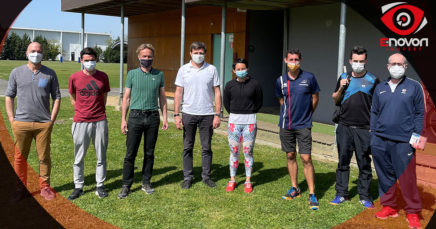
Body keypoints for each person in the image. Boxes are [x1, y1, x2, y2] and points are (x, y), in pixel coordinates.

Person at [370, 53, 424, 229]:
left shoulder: (414, 87)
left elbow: (419, 113)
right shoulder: (380, 88)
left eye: (399, 64)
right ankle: (389, 206)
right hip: (380, 140)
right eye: (392, 63)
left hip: (404, 141)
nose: (396, 66)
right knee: (385, 176)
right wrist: (373, 135)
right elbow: (375, 112)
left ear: (405, 66)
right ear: (387, 66)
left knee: (407, 178)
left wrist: (415, 136)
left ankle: (413, 212)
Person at [5, 42, 61, 200]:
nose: (36, 53)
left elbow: (56, 97)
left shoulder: (50, 73)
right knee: (20, 158)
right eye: (33, 51)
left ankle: (45, 187)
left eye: (39, 51)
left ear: (43, 54)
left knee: (44, 157)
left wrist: (52, 120)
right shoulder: (16, 72)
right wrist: (11, 119)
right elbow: (9, 96)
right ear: (26, 53)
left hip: (43, 124)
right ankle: (20, 189)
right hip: (21, 123)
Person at [330, 46, 379, 208]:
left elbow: (378, 105)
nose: (358, 64)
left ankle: (364, 196)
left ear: (366, 61)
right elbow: (335, 99)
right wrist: (342, 86)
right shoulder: (344, 77)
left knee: (364, 163)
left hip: (364, 128)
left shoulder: (373, 79)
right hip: (344, 126)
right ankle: (341, 193)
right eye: (355, 61)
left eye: (361, 61)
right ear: (350, 61)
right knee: (343, 161)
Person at [118, 43, 168, 199]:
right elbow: (126, 98)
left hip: (152, 117)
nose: (147, 59)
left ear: (153, 57)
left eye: (149, 56)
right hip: (135, 117)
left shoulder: (159, 74)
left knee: (149, 152)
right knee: (130, 153)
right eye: (144, 56)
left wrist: (165, 117)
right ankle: (126, 185)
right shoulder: (132, 74)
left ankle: (146, 182)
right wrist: (123, 119)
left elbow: (162, 97)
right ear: (139, 57)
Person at [275, 49, 320, 210]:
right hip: (286, 125)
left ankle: (312, 194)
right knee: (290, 155)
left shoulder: (309, 78)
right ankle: (295, 188)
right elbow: (281, 100)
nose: (293, 62)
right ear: (285, 60)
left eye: (296, 59)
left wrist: (307, 115)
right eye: (291, 59)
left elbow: (315, 98)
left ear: (300, 60)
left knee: (306, 158)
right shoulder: (280, 80)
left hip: (304, 125)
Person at [174, 41, 221, 189]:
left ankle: (206, 177)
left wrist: (218, 114)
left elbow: (217, 92)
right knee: (188, 147)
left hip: (207, 114)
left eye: (201, 53)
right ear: (190, 53)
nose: (198, 55)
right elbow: (178, 92)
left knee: (206, 147)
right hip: (188, 113)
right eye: (196, 52)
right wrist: (176, 114)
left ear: (205, 54)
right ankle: (188, 177)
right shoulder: (183, 70)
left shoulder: (212, 69)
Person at [67, 47, 111, 200]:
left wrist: (98, 111)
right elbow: (72, 95)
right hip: (81, 121)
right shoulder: (74, 77)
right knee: (78, 157)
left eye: (92, 60)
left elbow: (104, 96)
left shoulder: (103, 77)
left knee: (101, 156)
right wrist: (80, 109)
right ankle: (78, 186)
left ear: (96, 60)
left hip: (100, 120)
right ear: (81, 61)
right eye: (86, 60)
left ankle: (100, 185)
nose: (89, 63)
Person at [223, 58, 263, 193]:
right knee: (234, 151)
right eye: (238, 69)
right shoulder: (229, 85)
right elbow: (226, 103)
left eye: (243, 69)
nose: (241, 71)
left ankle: (247, 180)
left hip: (250, 122)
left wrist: (249, 112)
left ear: (247, 69)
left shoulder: (255, 84)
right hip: (234, 122)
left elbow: (259, 102)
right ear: (234, 71)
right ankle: (232, 179)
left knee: (247, 152)